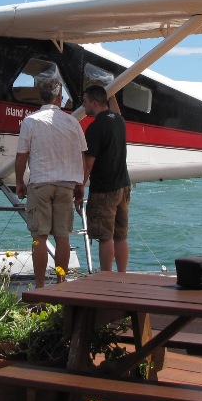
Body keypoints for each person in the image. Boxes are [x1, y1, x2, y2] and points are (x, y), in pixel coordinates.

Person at [14, 77, 87, 288]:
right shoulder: (72, 122)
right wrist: (80, 184)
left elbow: (21, 156)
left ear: (41, 97)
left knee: (40, 236)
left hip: (41, 182)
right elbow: (81, 155)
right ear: (58, 98)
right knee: (62, 236)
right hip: (66, 184)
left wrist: (19, 182)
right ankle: (61, 284)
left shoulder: (30, 121)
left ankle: (40, 287)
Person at [80, 85, 130, 272]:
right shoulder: (119, 121)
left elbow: (88, 163)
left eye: (85, 102)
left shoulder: (95, 127)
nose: (83, 106)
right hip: (123, 185)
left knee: (105, 236)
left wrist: (80, 187)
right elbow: (116, 111)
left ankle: (106, 277)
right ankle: (122, 275)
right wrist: (112, 91)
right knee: (121, 236)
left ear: (95, 103)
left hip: (104, 189)